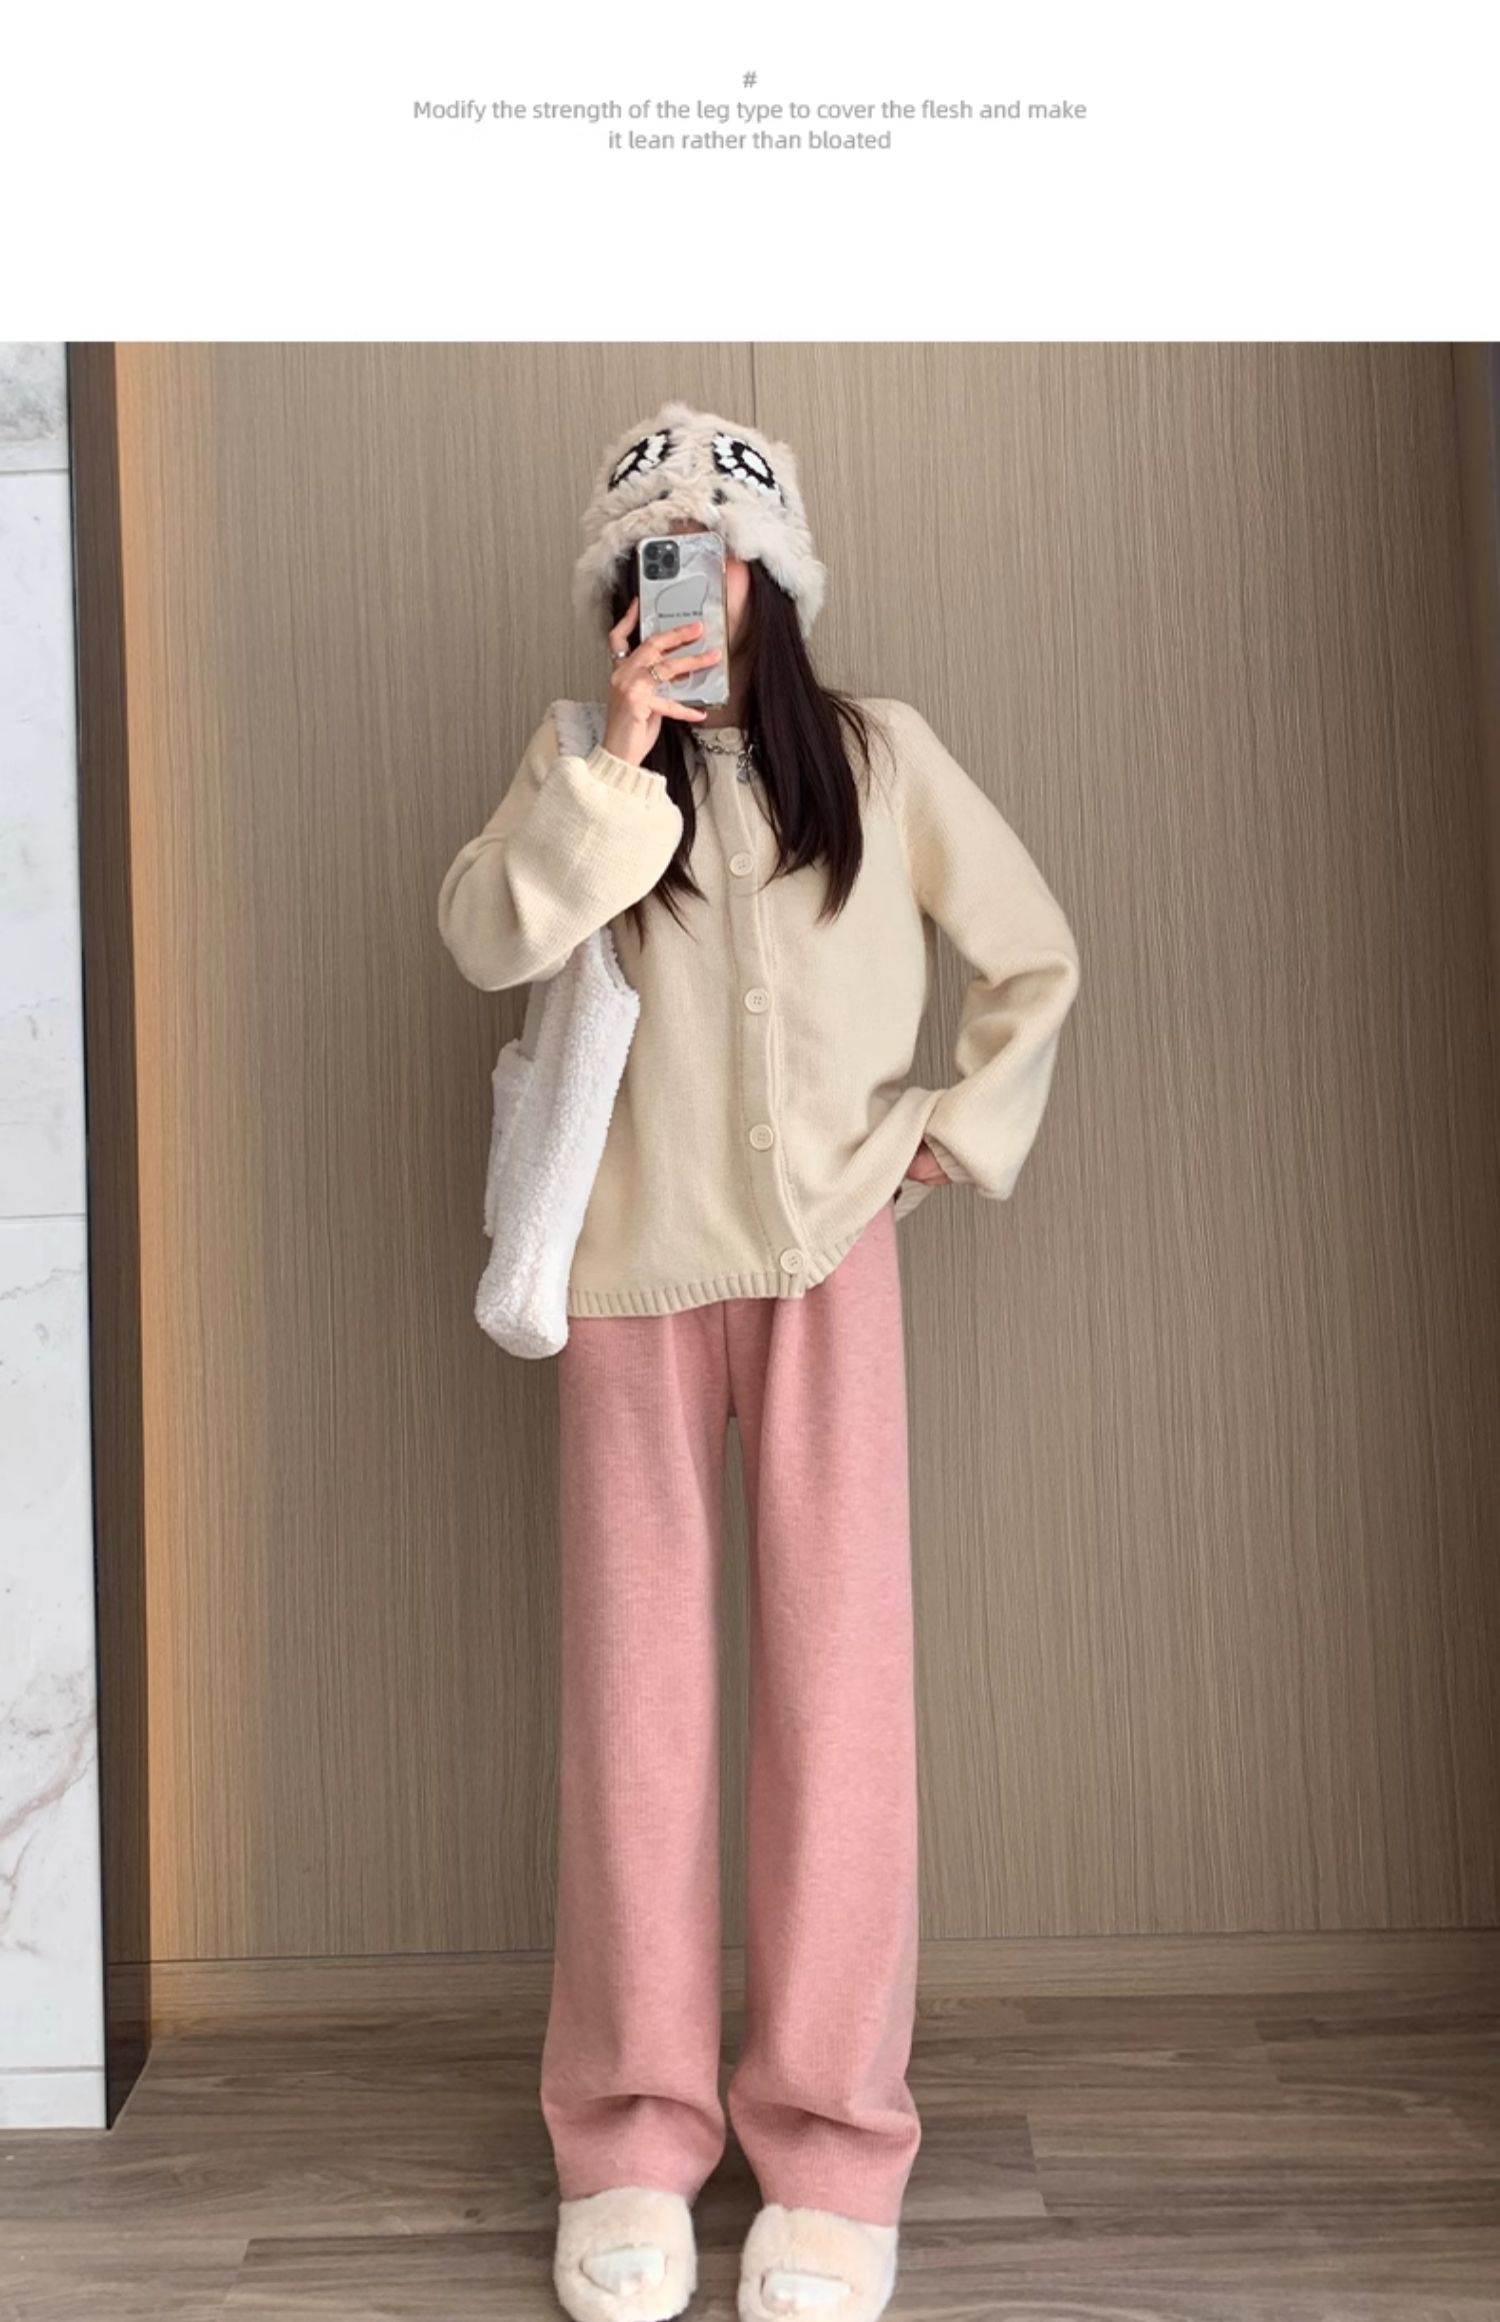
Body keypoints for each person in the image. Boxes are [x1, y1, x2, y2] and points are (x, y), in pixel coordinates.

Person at [436, 401, 1083, 2322]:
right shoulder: (579, 764)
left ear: (773, 580)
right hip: (625, 1282)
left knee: (839, 1705)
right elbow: (481, 938)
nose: (688, 588)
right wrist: (614, 766)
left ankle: (830, 2146)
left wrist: (954, 1130)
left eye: (718, 559)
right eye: (655, 560)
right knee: (636, 1720)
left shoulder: (881, 758)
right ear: (618, 589)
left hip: (825, 1265)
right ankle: (631, 2139)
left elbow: (1034, 956)